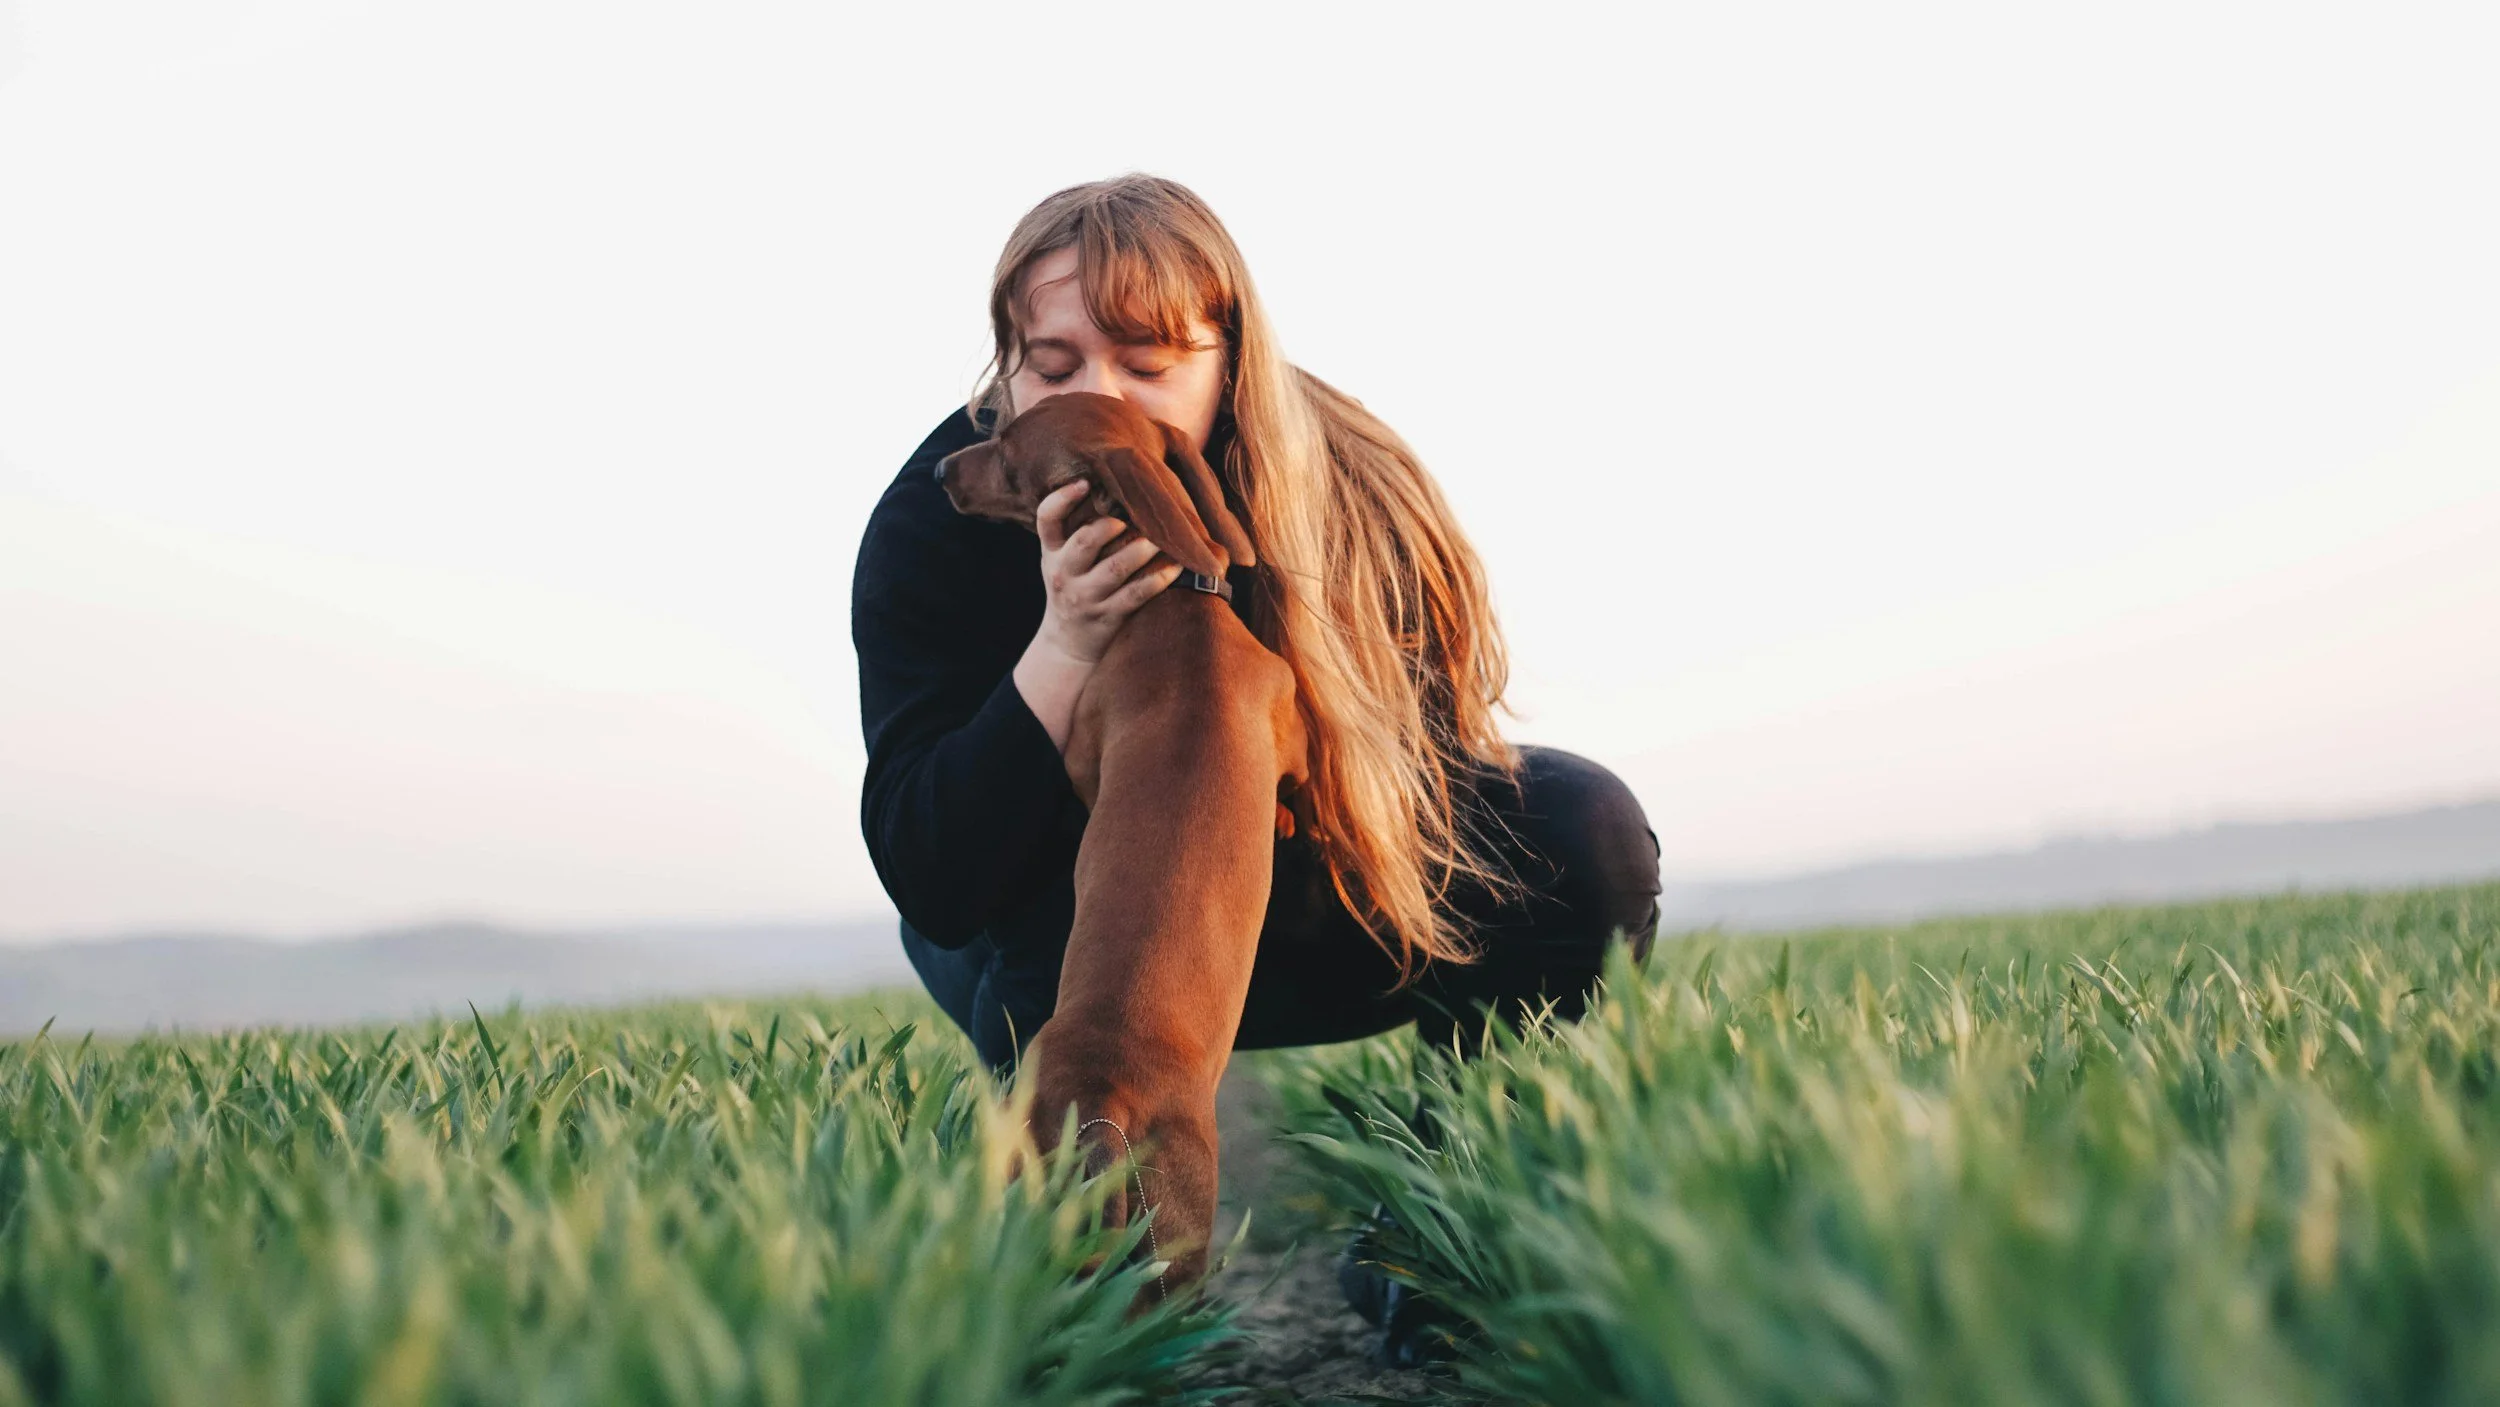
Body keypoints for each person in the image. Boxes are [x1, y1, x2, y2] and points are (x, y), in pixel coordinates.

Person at [849, 173, 1662, 1365]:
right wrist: (1062, 651)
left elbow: (1427, 762)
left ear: (1229, 359)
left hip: (1323, 881)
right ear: (1005, 367)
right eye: (1055, 359)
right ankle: (1095, 1294)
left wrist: (1256, 740)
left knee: (1581, 828)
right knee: (1048, 903)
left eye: (1146, 359)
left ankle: (1451, 1214)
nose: (1100, 396)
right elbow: (934, 876)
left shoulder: (1349, 479)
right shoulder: (946, 514)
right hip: (1042, 931)